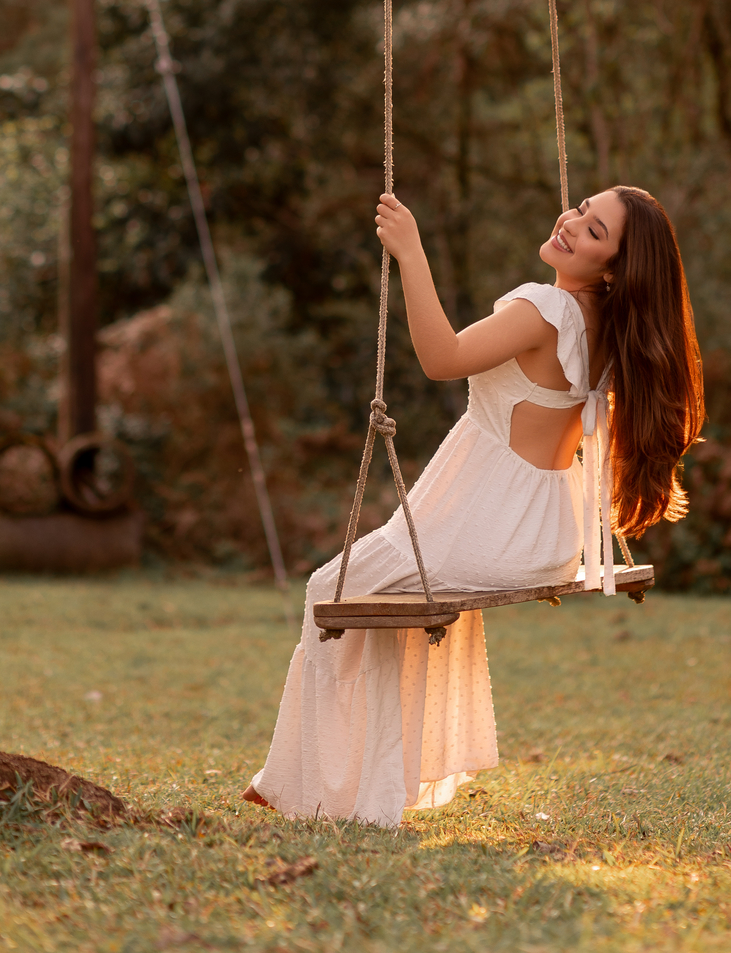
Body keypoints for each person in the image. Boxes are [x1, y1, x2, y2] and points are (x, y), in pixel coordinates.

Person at [242, 184, 704, 826]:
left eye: (594, 232)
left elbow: (442, 359)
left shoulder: (544, 308)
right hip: (542, 535)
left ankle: (313, 787)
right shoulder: (606, 323)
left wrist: (411, 252)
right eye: (581, 210)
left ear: (616, 267)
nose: (571, 223)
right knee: (376, 609)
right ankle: (352, 781)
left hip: (487, 526)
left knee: (329, 595)